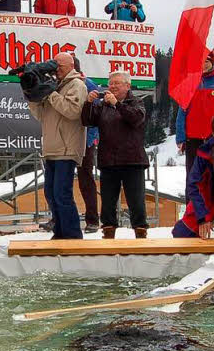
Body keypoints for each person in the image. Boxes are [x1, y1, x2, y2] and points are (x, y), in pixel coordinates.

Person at [81, 71, 149, 239]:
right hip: (108, 161)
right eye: (111, 83)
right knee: (108, 202)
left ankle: (140, 232)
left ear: (128, 85)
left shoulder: (137, 102)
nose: (113, 86)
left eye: (117, 83)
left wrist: (117, 104)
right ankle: (108, 232)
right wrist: (89, 103)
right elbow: (87, 121)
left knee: (136, 201)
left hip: (133, 161)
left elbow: (135, 119)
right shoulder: (102, 105)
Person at [28, 52, 87, 239]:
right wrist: (32, 94)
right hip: (52, 148)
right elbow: (40, 115)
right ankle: (60, 232)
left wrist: (50, 93)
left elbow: (72, 111)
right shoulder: (55, 85)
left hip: (67, 148)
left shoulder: (77, 85)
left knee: (62, 194)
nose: (56, 70)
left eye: (59, 66)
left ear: (71, 66)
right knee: (51, 194)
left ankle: (73, 235)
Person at [176, 50, 214, 174]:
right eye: (201, 61)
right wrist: (180, 137)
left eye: (207, 61)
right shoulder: (189, 80)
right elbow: (182, 111)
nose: (204, 64)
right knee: (193, 176)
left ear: (212, 62)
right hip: (193, 137)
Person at [75, 58, 100, 233]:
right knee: (60, 180)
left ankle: (92, 220)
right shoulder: (59, 85)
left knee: (85, 179)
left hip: (85, 139)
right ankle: (57, 218)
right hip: (66, 139)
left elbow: (96, 114)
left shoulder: (88, 84)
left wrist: (90, 138)